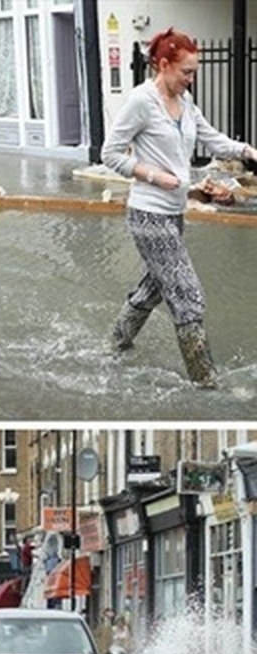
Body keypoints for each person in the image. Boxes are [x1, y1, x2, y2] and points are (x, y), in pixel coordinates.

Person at [101, 26, 257, 388]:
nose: (191, 79)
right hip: (148, 214)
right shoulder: (141, 102)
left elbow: (211, 138)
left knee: (154, 287)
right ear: (164, 64)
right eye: (186, 71)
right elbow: (109, 154)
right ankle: (206, 382)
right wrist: (153, 175)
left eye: (194, 72)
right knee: (188, 295)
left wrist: (247, 151)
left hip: (174, 212)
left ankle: (114, 344)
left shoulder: (186, 104)